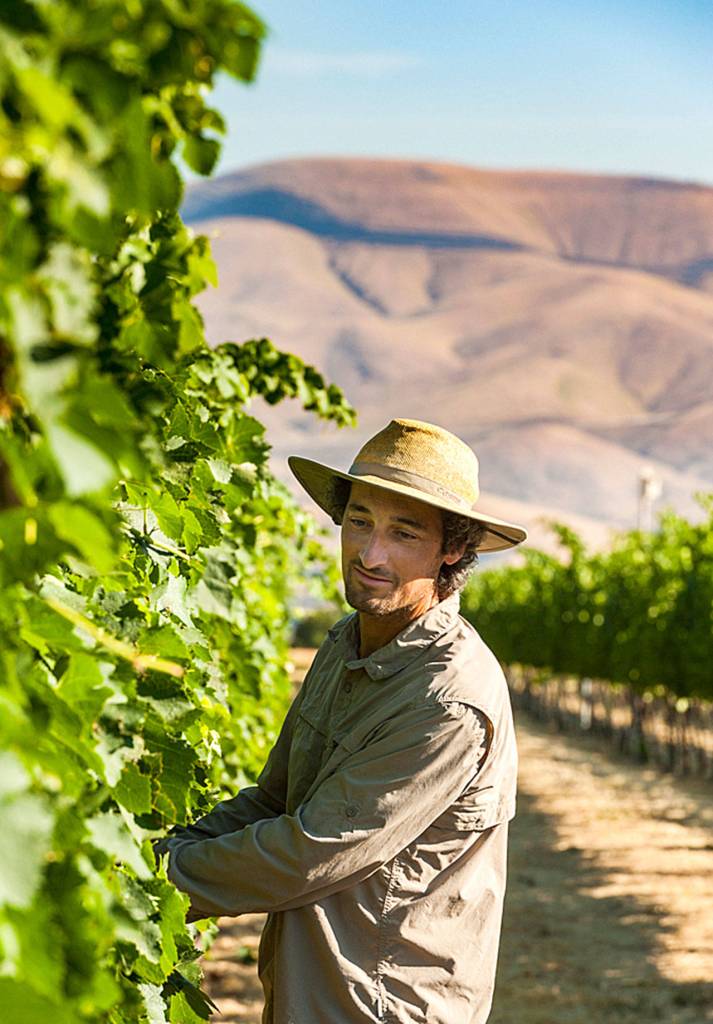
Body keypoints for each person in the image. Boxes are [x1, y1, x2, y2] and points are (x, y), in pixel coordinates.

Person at [154, 418, 528, 1024]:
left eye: (403, 532)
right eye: (359, 521)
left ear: (453, 549)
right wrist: (156, 854)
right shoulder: (344, 645)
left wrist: (151, 885)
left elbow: (309, 850)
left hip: (382, 1007)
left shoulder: (448, 702)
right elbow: (272, 801)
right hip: (313, 996)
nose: (370, 554)